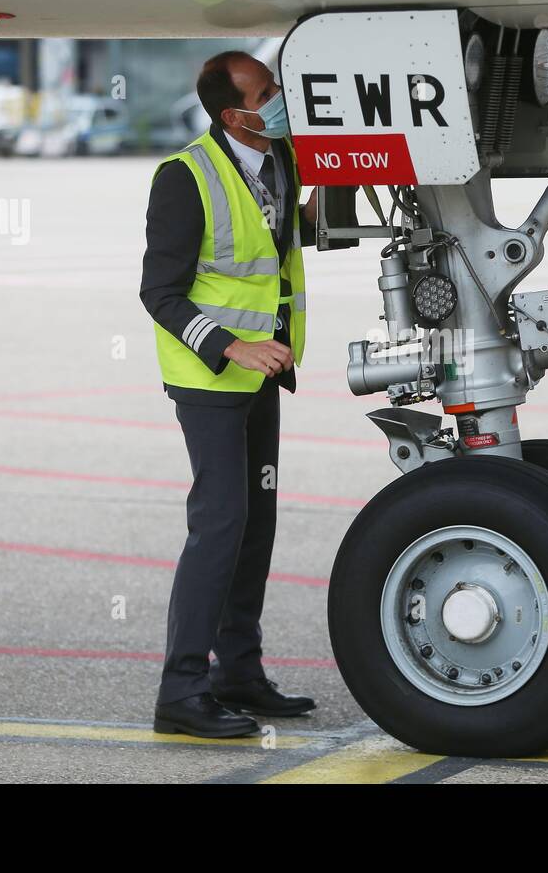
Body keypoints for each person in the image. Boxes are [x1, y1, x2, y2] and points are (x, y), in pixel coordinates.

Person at [139, 50, 349, 738]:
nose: (282, 97)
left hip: (264, 372)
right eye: (268, 91)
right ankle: (181, 692)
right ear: (235, 114)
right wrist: (231, 345)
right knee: (220, 523)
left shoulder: (279, 162)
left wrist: (335, 191)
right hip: (209, 378)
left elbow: (282, 245)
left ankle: (239, 673)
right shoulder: (184, 177)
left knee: (255, 525)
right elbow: (159, 293)